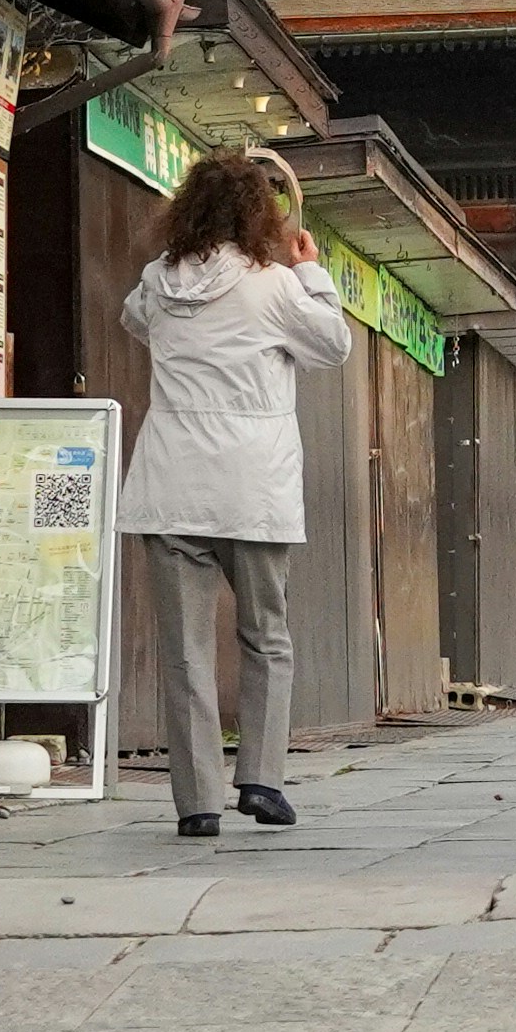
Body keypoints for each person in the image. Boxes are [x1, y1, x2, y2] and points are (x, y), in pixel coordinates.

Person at [120, 145, 344, 840]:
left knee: (186, 649)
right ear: (260, 216)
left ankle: (196, 803)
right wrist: (310, 273)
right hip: (254, 483)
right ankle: (263, 779)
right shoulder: (274, 285)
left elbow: (134, 320)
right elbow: (332, 345)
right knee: (265, 637)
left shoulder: (159, 281)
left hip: (171, 481)